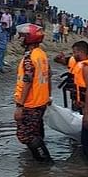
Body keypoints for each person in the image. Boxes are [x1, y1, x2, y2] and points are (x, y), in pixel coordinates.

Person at [13, 27, 52, 162]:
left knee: (25, 135)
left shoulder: (29, 58)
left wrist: (19, 106)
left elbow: (27, 81)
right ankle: (39, 158)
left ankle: (44, 161)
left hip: (30, 103)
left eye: (23, 37)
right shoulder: (41, 54)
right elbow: (49, 76)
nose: (21, 40)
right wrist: (49, 96)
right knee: (36, 131)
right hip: (41, 101)